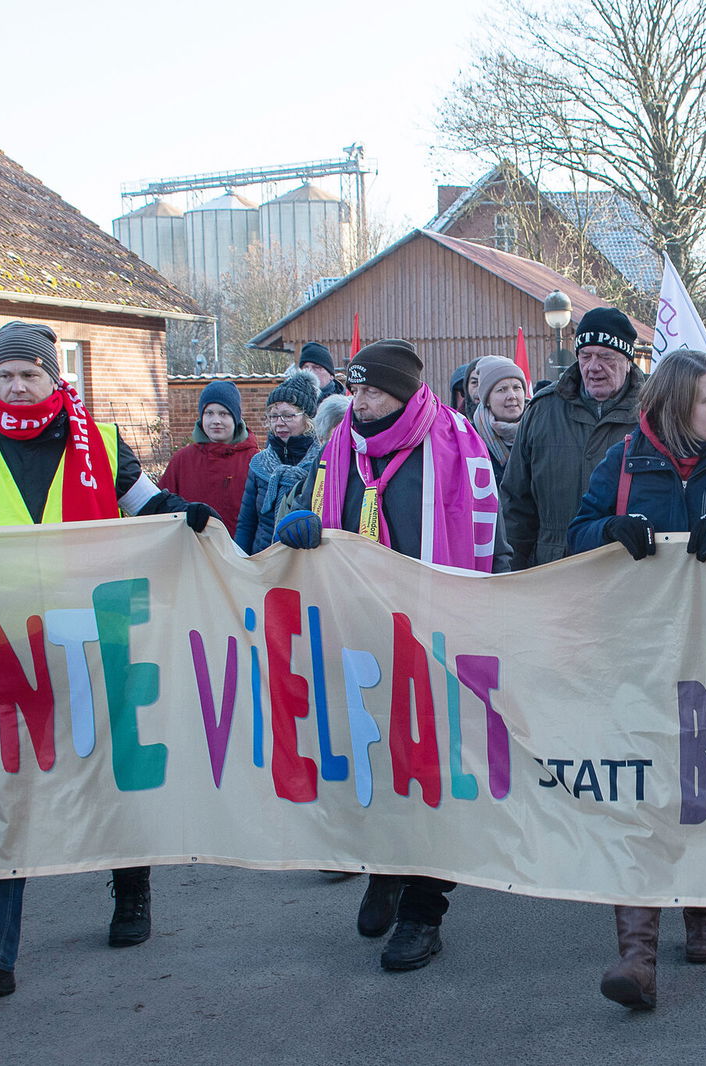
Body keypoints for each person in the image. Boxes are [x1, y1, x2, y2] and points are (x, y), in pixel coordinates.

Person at [0, 321, 210, 999]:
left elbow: (149, 507)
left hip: (98, 640)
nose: (18, 386)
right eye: (7, 375)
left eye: (30, 374)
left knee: (116, 773)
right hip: (7, 653)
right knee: (3, 791)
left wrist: (188, 516)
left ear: (56, 379)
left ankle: (132, 892)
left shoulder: (103, 445)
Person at [566, 347, 706, 1009]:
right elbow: (575, 537)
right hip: (634, 652)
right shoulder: (621, 464)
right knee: (638, 789)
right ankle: (635, 954)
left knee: (705, 785)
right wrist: (610, 529)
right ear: (675, 406)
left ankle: (702, 909)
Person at [273, 338, 507, 973]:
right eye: (354, 389)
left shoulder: (457, 442)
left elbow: (492, 536)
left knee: (433, 767)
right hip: (357, 631)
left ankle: (423, 911)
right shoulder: (342, 442)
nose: (360, 400)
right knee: (371, 759)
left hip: (437, 631)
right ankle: (385, 866)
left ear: (402, 394)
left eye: (372, 390)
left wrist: (490, 618)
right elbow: (305, 509)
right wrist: (299, 527)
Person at [501, 306, 646, 568]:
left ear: (628, 360)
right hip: (553, 570)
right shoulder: (543, 410)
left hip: (629, 569)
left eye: (606, 357)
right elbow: (516, 502)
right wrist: (513, 572)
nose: (593, 367)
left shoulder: (655, 413)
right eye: (585, 355)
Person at [234, 369, 321, 554]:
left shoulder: (322, 462)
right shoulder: (259, 463)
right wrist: (241, 561)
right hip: (264, 560)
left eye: (288, 415)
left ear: (307, 418)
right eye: (273, 416)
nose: (279, 423)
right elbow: (246, 523)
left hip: (307, 561)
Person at [158, 380, 258, 530]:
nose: (216, 421)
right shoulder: (182, 460)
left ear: (236, 418)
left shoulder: (255, 461)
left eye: (223, 414)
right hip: (192, 547)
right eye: (209, 413)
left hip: (241, 550)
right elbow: (162, 508)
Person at [469, 354, 528, 480]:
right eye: (502, 390)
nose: (512, 396)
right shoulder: (471, 439)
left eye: (517, 387)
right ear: (487, 399)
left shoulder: (540, 428)